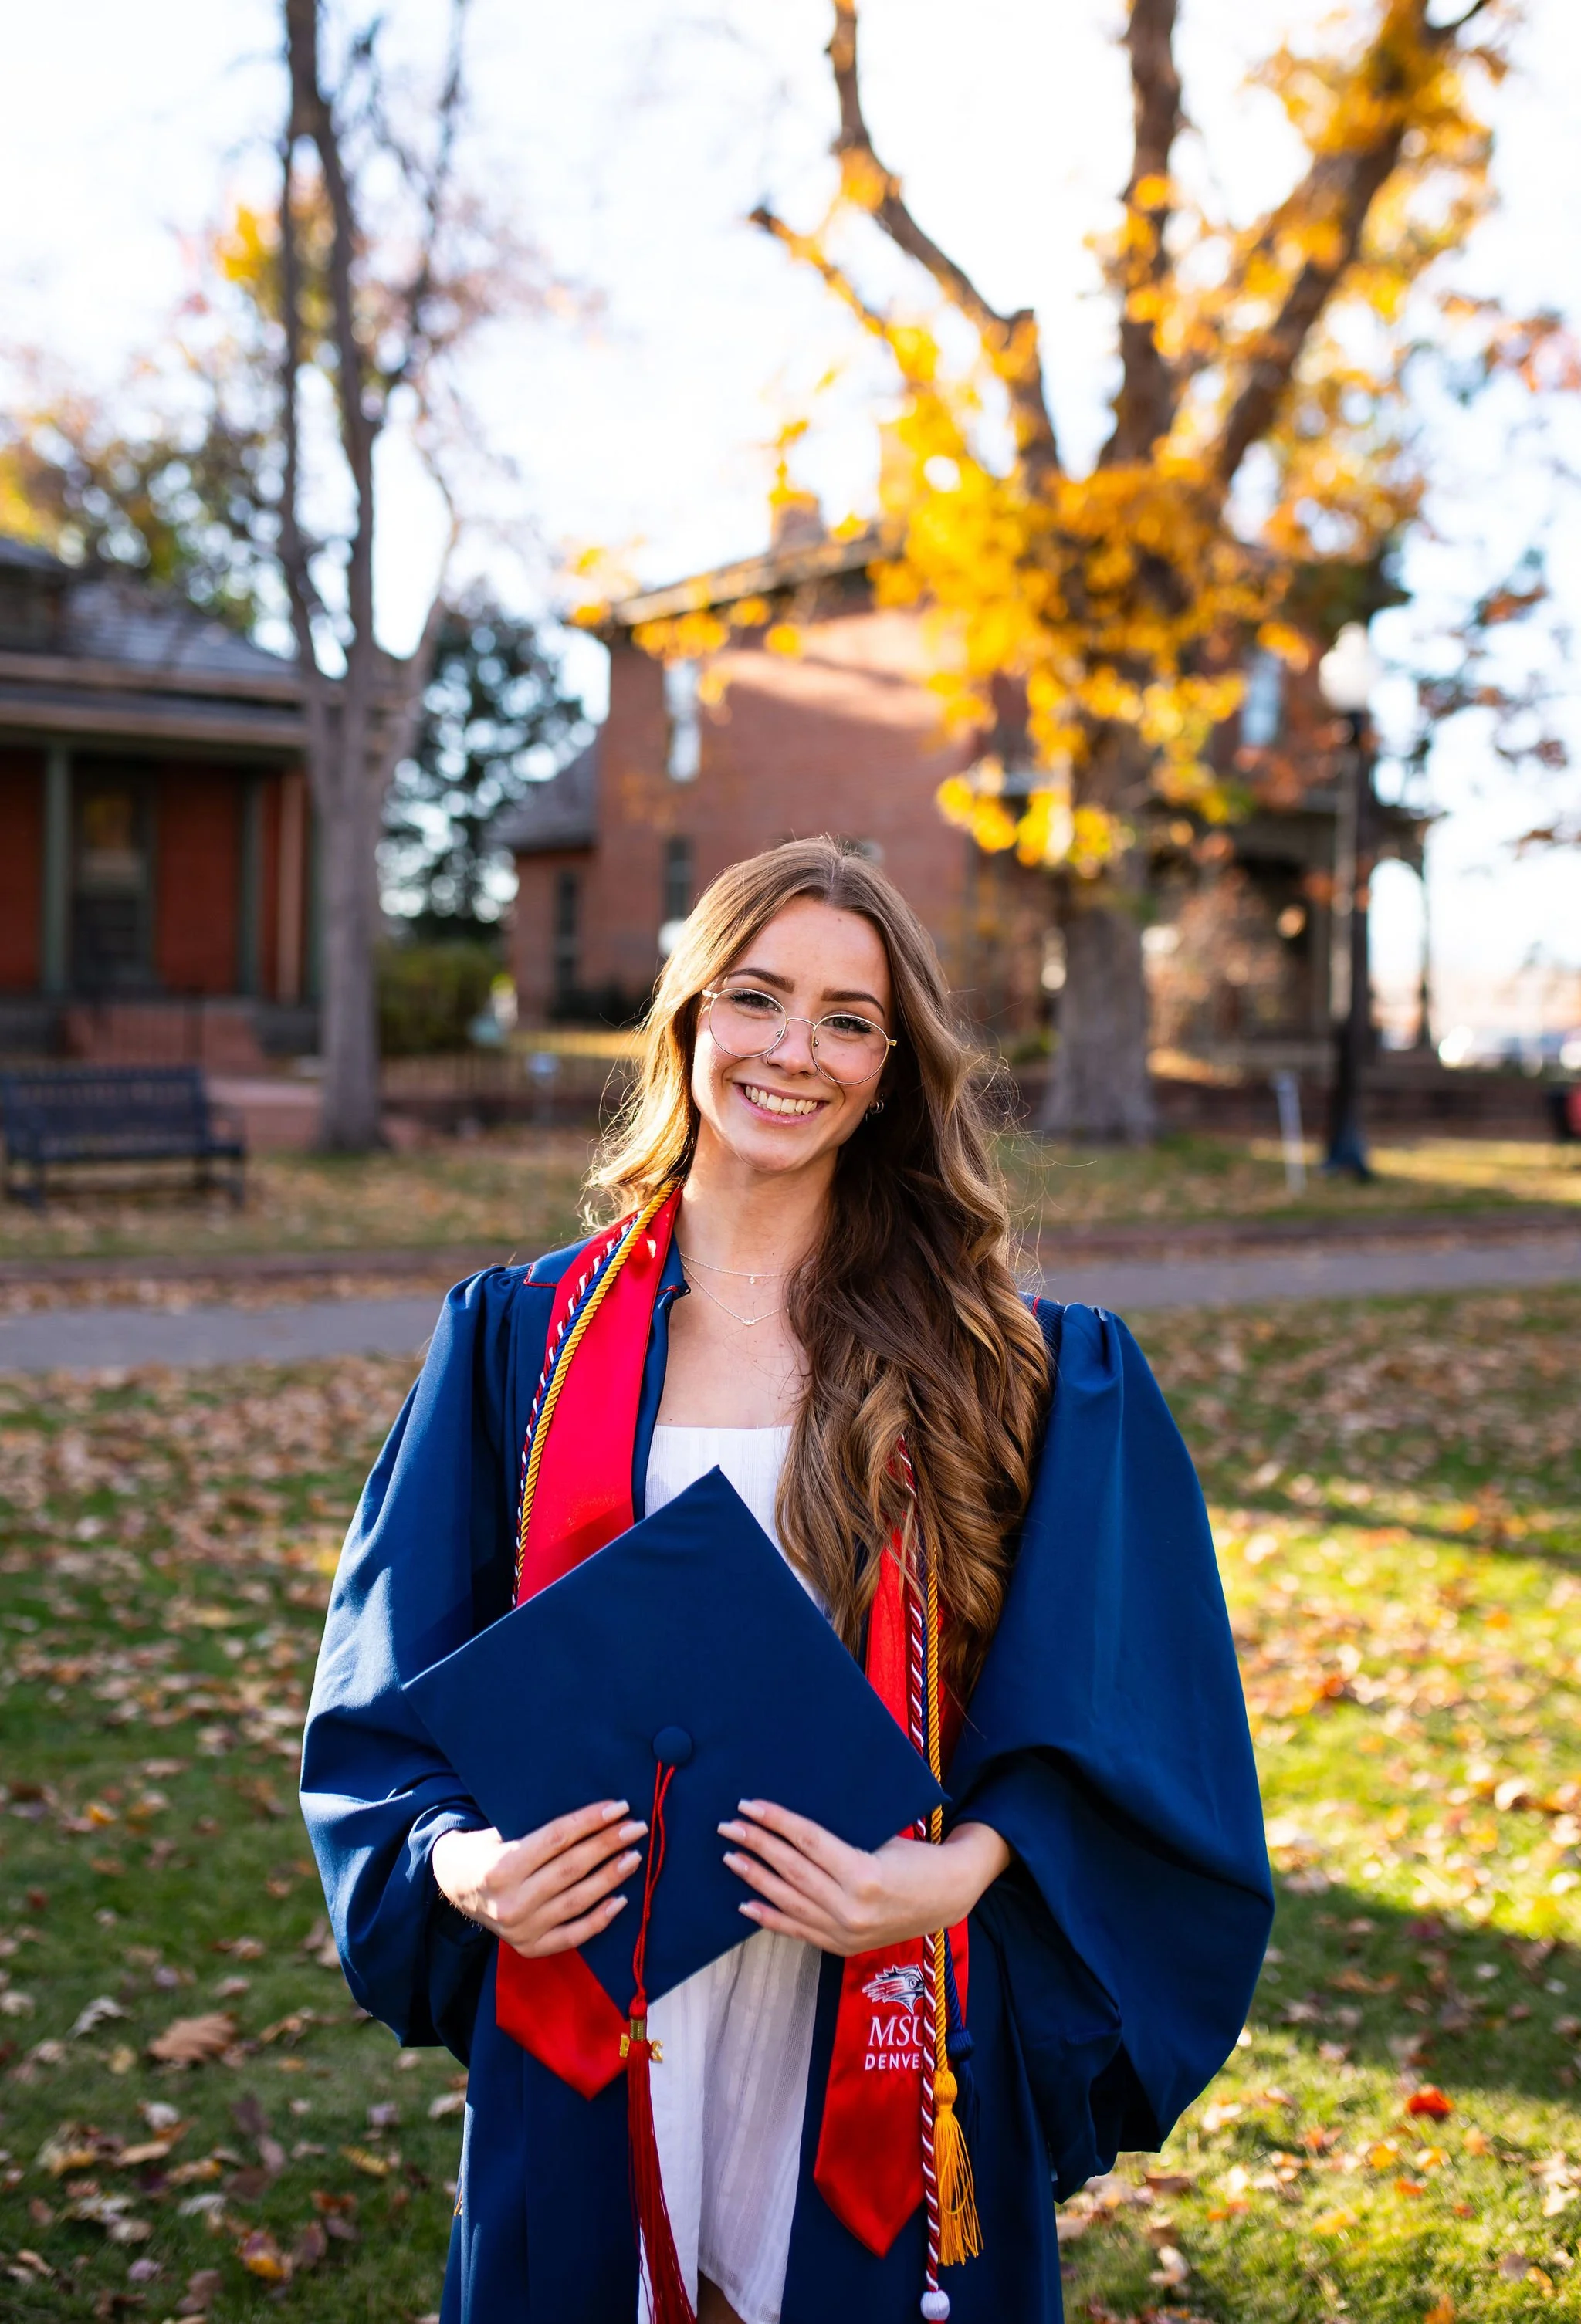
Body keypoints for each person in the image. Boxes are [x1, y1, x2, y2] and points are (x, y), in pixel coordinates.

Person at [302, 837, 1271, 2324]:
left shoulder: (1013, 1365)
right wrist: (463, 1867)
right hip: (596, 1979)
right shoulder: (519, 1345)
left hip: (878, 1983)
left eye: (847, 1018)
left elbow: (1123, 1703)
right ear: (689, 1018)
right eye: (757, 997)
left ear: (891, 1067)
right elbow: (384, 1696)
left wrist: (951, 1879)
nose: (794, 1050)